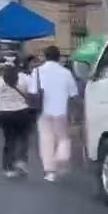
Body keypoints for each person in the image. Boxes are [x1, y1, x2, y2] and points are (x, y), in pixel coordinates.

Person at [34, 45, 78, 182]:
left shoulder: (36, 72)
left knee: (46, 140)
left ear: (45, 57)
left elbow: (32, 91)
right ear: (58, 57)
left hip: (43, 111)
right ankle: (61, 158)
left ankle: (50, 171)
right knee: (63, 138)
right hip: (61, 111)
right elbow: (74, 94)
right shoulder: (66, 73)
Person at [0, 64, 35, 178]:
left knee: (9, 141)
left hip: (6, 114)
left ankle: (8, 168)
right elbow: (33, 91)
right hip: (23, 112)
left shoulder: (0, 81)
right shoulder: (24, 78)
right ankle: (21, 161)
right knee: (24, 138)